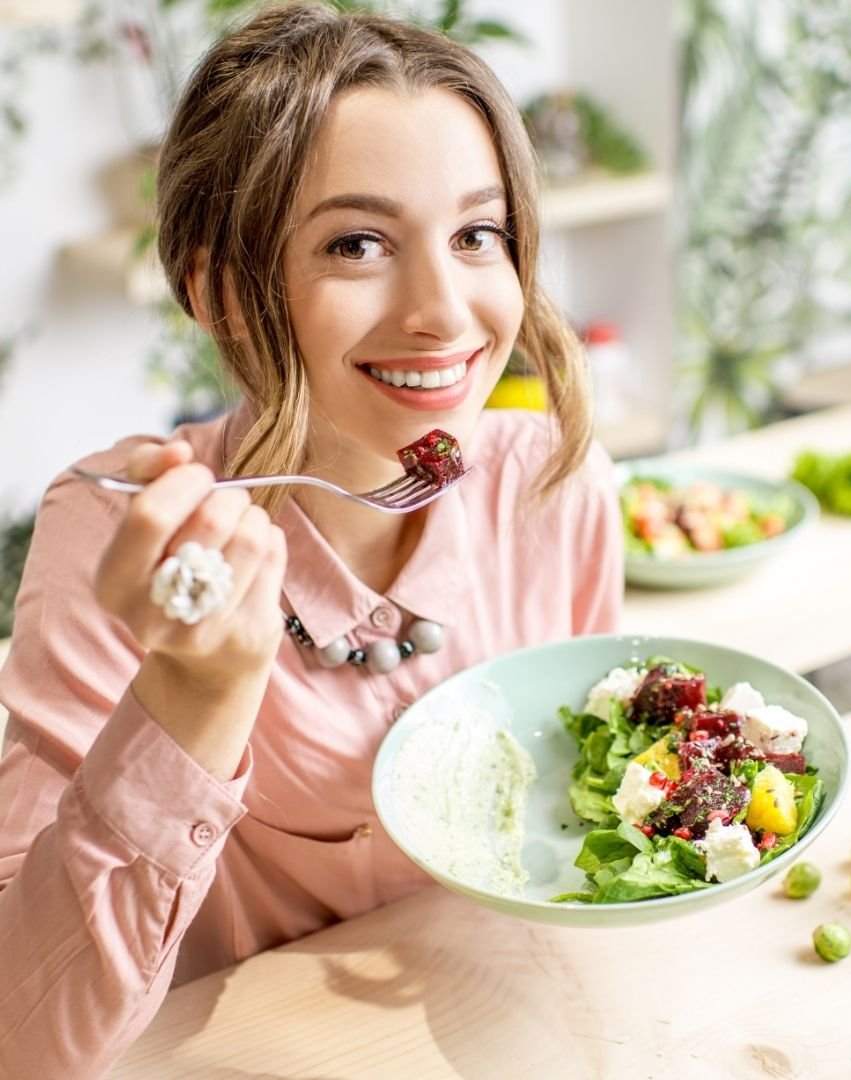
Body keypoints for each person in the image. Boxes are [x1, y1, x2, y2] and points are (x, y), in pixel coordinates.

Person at [0, 4, 623, 1074]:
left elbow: (584, 827)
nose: (444, 311)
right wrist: (192, 698)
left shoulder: (551, 483)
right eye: (358, 243)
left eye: (479, 234)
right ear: (217, 291)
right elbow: (23, 1035)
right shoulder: (117, 538)